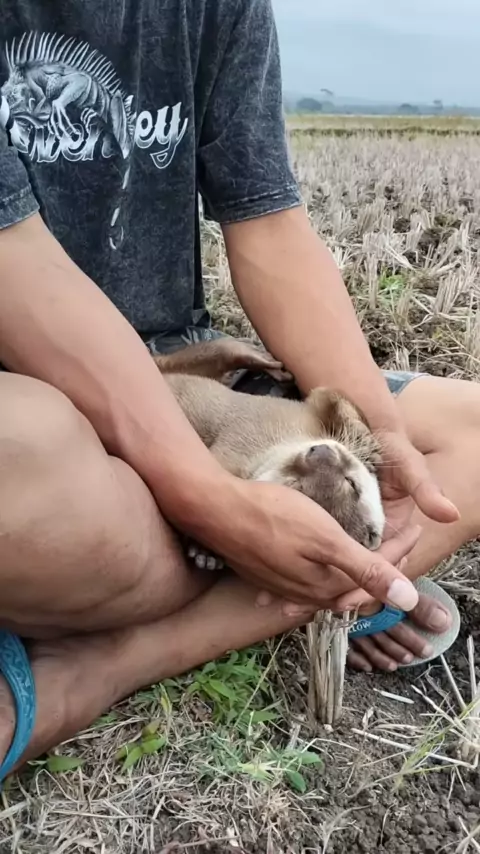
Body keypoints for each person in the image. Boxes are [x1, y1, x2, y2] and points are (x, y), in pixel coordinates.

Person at [0, 0, 476, 778]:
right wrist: (209, 501)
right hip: (36, 394)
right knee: (18, 451)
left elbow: (269, 226)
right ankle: (284, 582)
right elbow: (16, 266)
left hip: (194, 385)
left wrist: (376, 439)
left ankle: (109, 658)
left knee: (469, 438)